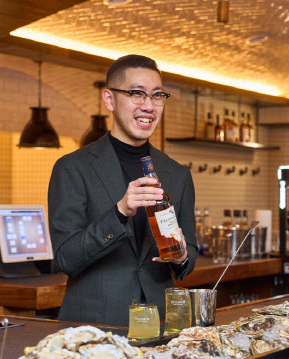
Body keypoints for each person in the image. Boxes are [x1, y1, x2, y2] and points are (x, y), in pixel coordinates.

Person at [47, 54, 197, 326]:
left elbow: (189, 258)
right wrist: (119, 212)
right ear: (109, 99)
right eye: (137, 94)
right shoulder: (72, 168)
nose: (149, 106)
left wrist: (182, 255)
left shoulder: (178, 173)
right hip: (95, 328)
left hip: (160, 326)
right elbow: (65, 259)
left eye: (157, 95)